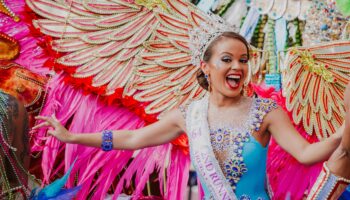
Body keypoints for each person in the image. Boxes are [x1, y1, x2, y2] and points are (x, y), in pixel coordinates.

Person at [33, 32, 350, 199]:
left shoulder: (266, 112)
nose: (237, 67)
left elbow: (307, 154)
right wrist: (74, 137)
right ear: (206, 67)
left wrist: (342, 132)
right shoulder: (189, 115)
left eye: (243, 59)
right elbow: (132, 139)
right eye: (227, 59)